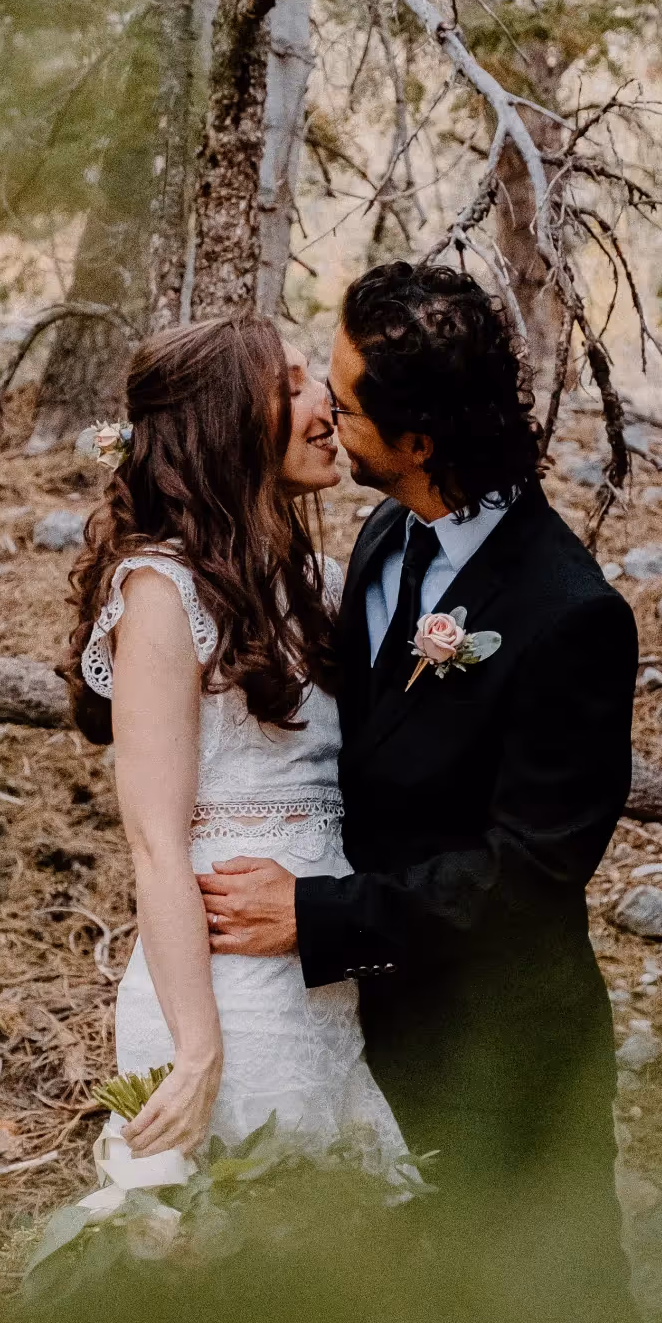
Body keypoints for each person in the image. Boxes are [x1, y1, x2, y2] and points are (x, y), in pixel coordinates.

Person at [198, 261, 648, 1323]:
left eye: (345, 405)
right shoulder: (386, 539)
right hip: (375, 1037)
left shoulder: (569, 616)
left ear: (421, 442)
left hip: (504, 1058)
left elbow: (528, 878)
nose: (323, 415)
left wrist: (319, 914)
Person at [61, 314, 404, 1164]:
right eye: (290, 389)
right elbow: (154, 842)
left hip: (323, 986)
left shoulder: (319, 586)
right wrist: (198, 1049)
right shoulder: (161, 595)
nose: (326, 404)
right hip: (227, 996)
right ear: (226, 427)